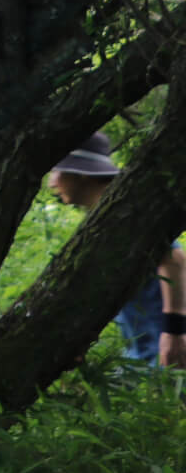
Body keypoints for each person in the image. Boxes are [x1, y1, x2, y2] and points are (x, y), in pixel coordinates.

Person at [46, 132, 186, 368]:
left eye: (56, 171)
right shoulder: (104, 217)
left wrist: (175, 331)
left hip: (166, 350)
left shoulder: (128, 212)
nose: (51, 182)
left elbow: (174, 259)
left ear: (80, 173)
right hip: (142, 352)